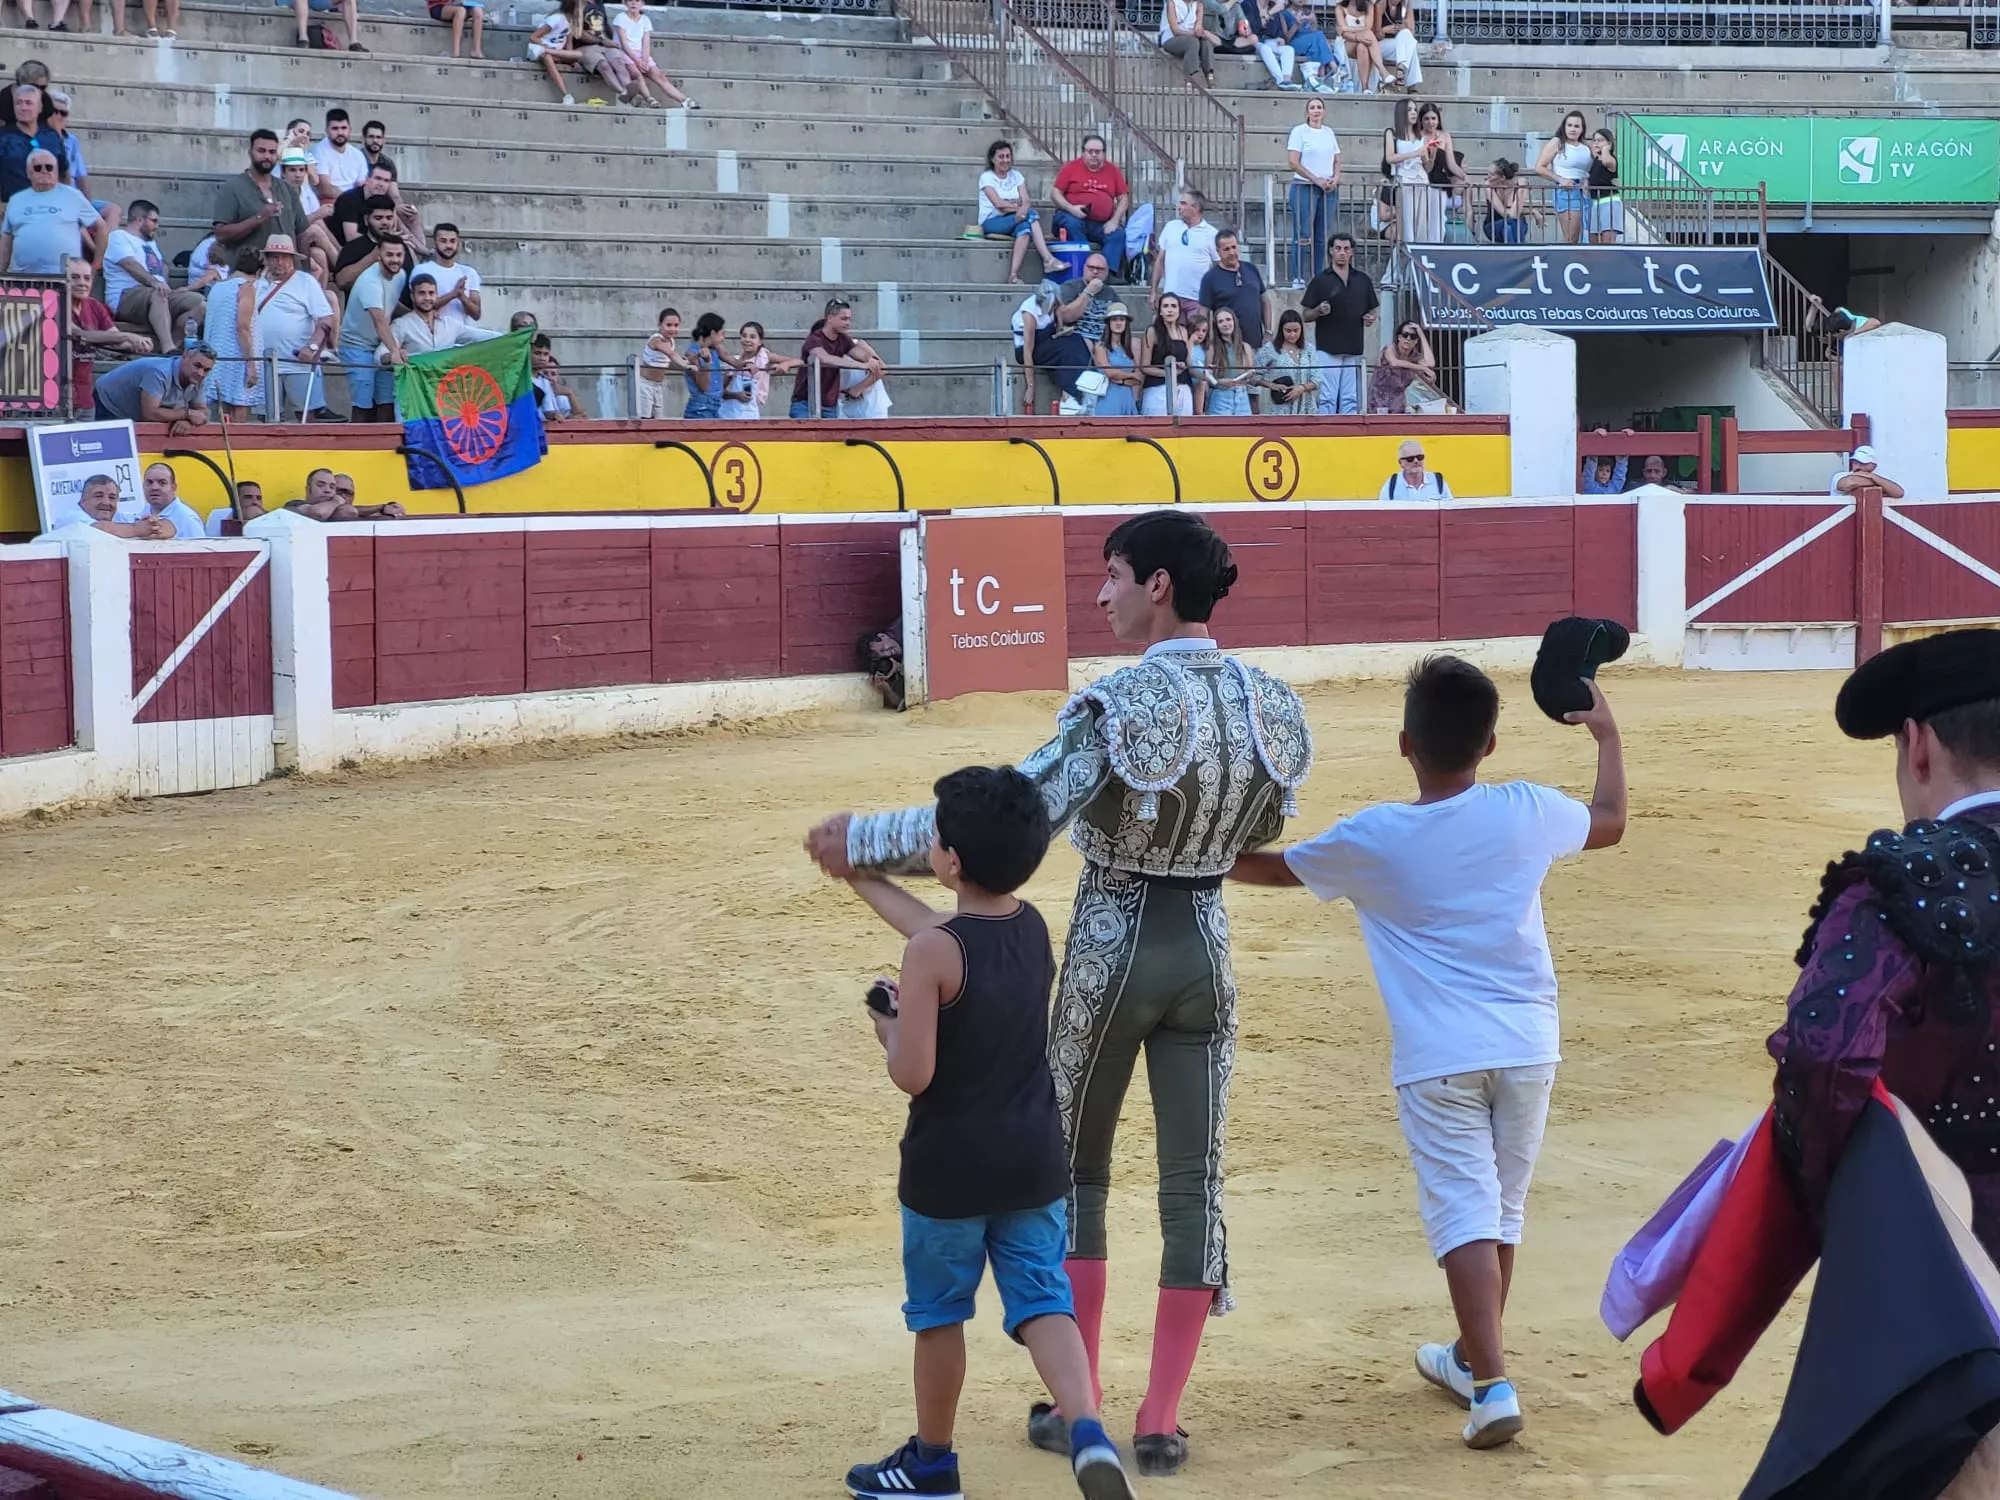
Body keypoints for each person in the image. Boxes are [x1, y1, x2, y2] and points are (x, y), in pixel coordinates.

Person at [805, 511, 1312, 1481]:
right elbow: (1253, 830)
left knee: (1069, 1172)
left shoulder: (1119, 701)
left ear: (1156, 584)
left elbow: (1017, 815)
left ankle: (1064, 1402)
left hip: (1111, 944)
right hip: (1205, 946)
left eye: (1112, 575)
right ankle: (1160, 1419)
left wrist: (864, 842)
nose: (1100, 593)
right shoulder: (1269, 707)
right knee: (1190, 1183)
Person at [1229, 654, 1626, 1449]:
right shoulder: (1523, 810)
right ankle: (1470, 1360)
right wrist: (1608, 737)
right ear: (1490, 743)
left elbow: (1268, 871)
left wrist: (1197, 838)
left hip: (1440, 1055)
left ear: (1406, 744)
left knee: (1465, 1214)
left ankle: (1492, 1382)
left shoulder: (1375, 838)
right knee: (1500, 1211)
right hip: (1527, 1045)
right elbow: (1609, 821)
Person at [827, 766, 1141, 1500]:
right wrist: (857, 877)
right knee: (1042, 1299)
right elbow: (947, 938)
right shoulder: (1030, 926)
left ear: (951, 861)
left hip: (949, 1170)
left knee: (939, 1316)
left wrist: (887, 1022)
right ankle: (1087, 1428)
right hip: (1031, 1161)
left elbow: (914, 1072)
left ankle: (932, 1462)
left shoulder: (932, 954)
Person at [252, 235, 338, 421]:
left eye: (284, 256)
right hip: (264, 363)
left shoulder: (305, 282)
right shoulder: (256, 284)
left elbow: (326, 319)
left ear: (292, 259)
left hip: (298, 363)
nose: (279, 261)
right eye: (274, 256)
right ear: (266, 259)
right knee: (266, 418)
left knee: (307, 416)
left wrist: (312, 347)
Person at [102, 199, 202, 355]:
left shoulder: (150, 243)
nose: (157, 226)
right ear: (140, 219)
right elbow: (129, 264)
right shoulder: (118, 237)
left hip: (155, 294)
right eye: (154, 221)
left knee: (199, 303)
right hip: (125, 296)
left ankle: (173, 347)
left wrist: (165, 281)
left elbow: (162, 266)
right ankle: (168, 347)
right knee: (158, 294)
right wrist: (155, 282)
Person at [1301, 230, 1377, 415]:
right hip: (1328, 347)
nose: (1342, 252)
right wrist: (1318, 310)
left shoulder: (1363, 280)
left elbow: (1372, 308)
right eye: (1338, 248)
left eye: (1346, 248)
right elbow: (1305, 314)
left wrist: (1371, 317)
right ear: (1330, 251)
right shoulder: (1320, 280)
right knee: (1327, 397)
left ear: (1352, 252)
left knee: (1350, 398)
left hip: (1354, 347)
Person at [337, 234, 408, 422]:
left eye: (399, 255)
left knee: (386, 400)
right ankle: (359, 447)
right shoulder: (370, 282)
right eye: (390, 254)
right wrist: (395, 351)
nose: (395, 259)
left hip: (379, 345)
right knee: (363, 403)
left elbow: (392, 304)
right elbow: (379, 319)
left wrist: (414, 314)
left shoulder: (401, 275)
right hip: (356, 346)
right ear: (379, 256)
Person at [66, 255, 147, 414]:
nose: (82, 283)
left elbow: (115, 340)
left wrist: (136, 345)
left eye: (87, 278)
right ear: (63, 280)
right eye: (75, 278)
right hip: (57, 399)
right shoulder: (54, 303)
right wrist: (128, 336)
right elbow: (80, 335)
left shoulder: (94, 305)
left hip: (85, 400)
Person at [1, 147, 98, 274]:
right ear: (28, 173)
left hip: (65, 277)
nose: (44, 171)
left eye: (49, 167)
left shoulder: (73, 196)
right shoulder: (16, 200)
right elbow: (6, 242)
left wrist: (97, 263)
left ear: (56, 172)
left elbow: (100, 227)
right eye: (37, 168)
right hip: (24, 277)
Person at [978, 140, 1062, 285]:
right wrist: (1021, 209)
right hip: (993, 221)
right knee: (1031, 215)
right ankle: (1048, 260)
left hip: (1015, 218)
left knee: (1024, 230)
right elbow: (998, 205)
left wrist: (1021, 208)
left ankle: (1013, 275)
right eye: (1001, 157)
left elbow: (1026, 200)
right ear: (992, 159)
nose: (1005, 160)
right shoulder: (987, 177)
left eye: (1008, 156)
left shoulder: (1016, 175)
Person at [213, 129, 305, 258]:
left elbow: (302, 234)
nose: (267, 156)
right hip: (248, 272)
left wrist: (305, 273)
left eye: (272, 152)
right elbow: (221, 234)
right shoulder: (231, 188)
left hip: (288, 273)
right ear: (250, 152)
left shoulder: (287, 190)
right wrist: (259, 218)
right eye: (261, 151)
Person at [789, 297, 884, 420]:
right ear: (829, 318)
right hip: (804, 402)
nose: (848, 323)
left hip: (830, 404)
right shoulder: (814, 339)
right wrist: (861, 365)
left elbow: (860, 354)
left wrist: (869, 359)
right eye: (843, 319)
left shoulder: (843, 339)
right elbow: (825, 358)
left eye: (849, 319)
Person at [1050, 137, 1129, 279]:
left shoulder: (1113, 171)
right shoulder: (1070, 167)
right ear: (1083, 152)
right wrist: (1071, 208)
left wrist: (1115, 220)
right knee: (1073, 224)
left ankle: (1106, 274)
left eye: (1097, 152)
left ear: (1104, 153)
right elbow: (1055, 193)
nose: (1094, 155)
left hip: (1100, 224)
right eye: (1090, 151)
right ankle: (1085, 271)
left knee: (1118, 235)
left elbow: (1124, 198)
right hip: (1070, 216)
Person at [1285, 97, 1341, 288]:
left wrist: (1336, 178)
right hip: (1304, 186)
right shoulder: (1299, 132)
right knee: (1302, 233)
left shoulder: (1329, 132)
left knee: (1321, 235)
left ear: (1324, 112)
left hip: (1328, 189)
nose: (1316, 111)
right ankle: (1298, 276)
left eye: (1319, 107)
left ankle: (1318, 276)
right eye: (1312, 107)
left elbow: (1337, 159)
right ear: (1307, 112)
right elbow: (1293, 162)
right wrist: (1315, 179)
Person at [202, 244, 263, 419]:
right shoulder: (246, 288)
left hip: (218, 357)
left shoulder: (217, 287)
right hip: (237, 359)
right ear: (258, 273)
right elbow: (242, 327)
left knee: (223, 410)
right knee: (239, 406)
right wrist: (251, 364)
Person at [92, 345, 213, 431]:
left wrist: (188, 421)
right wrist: (187, 414)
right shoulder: (159, 373)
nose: (201, 373)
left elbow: (202, 411)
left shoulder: (198, 378)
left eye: (206, 370)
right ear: (185, 357)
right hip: (110, 402)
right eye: (197, 366)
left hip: (135, 409)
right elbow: (150, 415)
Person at [390, 272, 499, 357]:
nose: (427, 298)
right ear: (412, 297)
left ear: (437, 295)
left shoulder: (450, 324)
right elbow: (381, 355)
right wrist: (395, 355)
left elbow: (483, 336)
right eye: (421, 293)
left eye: (431, 293)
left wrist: (513, 336)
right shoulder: (402, 325)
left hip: (444, 384)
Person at [1197, 228, 1271, 350]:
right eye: (1226, 249)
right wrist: (1206, 339)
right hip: (1226, 346)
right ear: (1218, 251)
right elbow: (1204, 312)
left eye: (1234, 247)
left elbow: (1265, 301)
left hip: (1256, 343)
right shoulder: (1210, 278)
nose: (1232, 252)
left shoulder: (1251, 269)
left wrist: (1268, 331)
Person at [42, 473, 171, 541]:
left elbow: (169, 525)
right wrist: (137, 529)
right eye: (98, 496)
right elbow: (97, 530)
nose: (106, 502)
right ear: (83, 501)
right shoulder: (70, 518)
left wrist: (156, 526)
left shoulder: (118, 518)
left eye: (112, 497)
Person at [615, 0, 695, 106]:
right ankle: (649, 98)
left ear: (642, 4)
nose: (633, 3)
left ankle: (684, 100)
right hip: (626, 53)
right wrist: (637, 61)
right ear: (625, 3)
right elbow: (624, 44)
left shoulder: (645, 20)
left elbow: (646, 43)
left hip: (641, 53)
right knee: (637, 74)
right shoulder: (620, 18)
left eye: (637, 1)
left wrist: (644, 59)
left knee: (659, 76)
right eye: (630, 1)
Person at [1149, 188, 1219, 310]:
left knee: (1197, 329)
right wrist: (1153, 291)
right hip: (1171, 299)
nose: (1179, 207)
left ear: (1196, 207)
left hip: (1198, 299)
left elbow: (1218, 265)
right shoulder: (1170, 227)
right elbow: (1160, 261)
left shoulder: (1212, 234)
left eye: (1183, 203)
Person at [1385, 97, 1441, 246]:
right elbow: (1390, 158)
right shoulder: (1392, 133)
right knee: (1406, 229)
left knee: (1420, 226)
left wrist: (1432, 153)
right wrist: (1416, 153)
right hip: (1404, 181)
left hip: (1421, 181)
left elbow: (1427, 167)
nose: (1413, 113)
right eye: (1409, 110)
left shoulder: (1420, 137)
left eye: (1415, 110)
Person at [409, 224, 482, 335]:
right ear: (435, 243)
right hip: (432, 336)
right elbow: (419, 307)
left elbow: (476, 314)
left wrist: (462, 296)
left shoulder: (469, 273)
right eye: (443, 241)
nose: (448, 245)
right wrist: (453, 294)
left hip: (462, 337)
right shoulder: (422, 270)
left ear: (458, 244)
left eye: (452, 241)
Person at [0, 84, 63, 205]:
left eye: (28, 103)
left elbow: (63, 171)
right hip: (13, 206)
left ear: (40, 107)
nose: (23, 107)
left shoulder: (51, 137)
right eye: (19, 103)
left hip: (49, 205)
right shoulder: (3, 137)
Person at [718, 321, 794, 421]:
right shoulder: (733, 362)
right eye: (744, 336)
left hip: (750, 415)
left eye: (752, 337)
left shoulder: (765, 358)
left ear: (760, 341)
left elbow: (798, 361)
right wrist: (736, 395)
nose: (747, 340)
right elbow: (720, 392)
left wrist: (785, 365)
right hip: (727, 415)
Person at [1535, 110, 1591, 245]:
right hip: (1567, 191)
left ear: (1582, 129)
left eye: (1577, 126)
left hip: (1586, 191)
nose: (1573, 129)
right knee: (1571, 236)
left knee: (1586, 235)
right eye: (1569, 125)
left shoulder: (1586, 146)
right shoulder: (1557, 143)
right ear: (1564, 127)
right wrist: (1560, 180)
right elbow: (1539, 167)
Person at [1255, 308, 1318, 417]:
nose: (1292, 335)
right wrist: (1271, 385)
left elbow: (1318, 378)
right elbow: (1253, 375)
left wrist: (1302, 388)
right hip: (1281, 408)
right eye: (1288, 331)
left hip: (1306, 408)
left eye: (1296, 330)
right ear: (1281, 330)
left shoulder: (1309, 349)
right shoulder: (1270, 349)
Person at [575, 0, 641, 103]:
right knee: (603, 65)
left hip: (603, 43)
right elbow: (578, 33)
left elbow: (604, 26)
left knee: (618, 62)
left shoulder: (599, 4)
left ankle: (629, 90)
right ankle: (624, 93)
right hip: (584, 47)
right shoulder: (577, 3)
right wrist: (602, 41)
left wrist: (611, 41)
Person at [1139, 292, 1191, 417]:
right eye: (1166, 306)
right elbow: (1144, 366)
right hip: (1158, 389)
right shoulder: (1152, 332)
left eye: (1173, 306)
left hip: (1183, 388)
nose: (1170, 310)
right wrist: (1169, 373)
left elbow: (1189, 363)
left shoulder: (1183, 331)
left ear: (1179, 310)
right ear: (1160, 311)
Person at [1370, 319, 1435, 415]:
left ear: (1416, 341)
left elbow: (1430, 363)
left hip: (1398, 402)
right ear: (1399, 337)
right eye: (1405, 335)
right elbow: (1394, 362)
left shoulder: (1414, 357)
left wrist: (1421, 334)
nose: (1408, 339)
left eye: (1412, 337)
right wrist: (1422, 368)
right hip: (1378, 399)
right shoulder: (1390, 349)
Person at [528, 0, 587, 105]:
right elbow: (533, 37)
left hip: (557, 52)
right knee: (547, 57)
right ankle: (566, 95)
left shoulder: (572, 22)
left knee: (579, 54)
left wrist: (573, 61)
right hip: (541, 49)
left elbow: (569, 46)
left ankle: (549, 52)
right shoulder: (557, 19)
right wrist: (546, 47)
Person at [1275, 0, 1341, 93]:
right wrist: (1297, 24)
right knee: (1319, 35)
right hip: (1295, 44)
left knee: (1317, 45)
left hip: (1310, 44)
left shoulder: (1309, 13)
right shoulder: (1283, 14)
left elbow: (1313, 32)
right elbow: (1287, 39)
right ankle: (1334, 69)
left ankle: (1319, 81)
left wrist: (1313, 22)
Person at [1203, 305, 1255, 417]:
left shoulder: (1245, 347)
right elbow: (1207, 376)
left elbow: (1250, 375)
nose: (1226, 324)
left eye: (1228, 319)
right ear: (1216, 326)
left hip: (1242, 395)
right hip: (1220, 396)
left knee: (1245, 433)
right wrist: (1220, 382)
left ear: (1234, 321)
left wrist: (1249, 375)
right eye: (1221, 321)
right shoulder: (1212, 348)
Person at [1091, 303, 1141, 419]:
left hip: (1127, 397)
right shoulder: (1101, 346)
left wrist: (1120, 380)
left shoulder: (1130, 346)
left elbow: (1138, 378)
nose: (1118, 323)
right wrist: (1130, 375)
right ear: (1108, 323)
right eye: (1114, 320)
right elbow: (1109, 372)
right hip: (1108, 396)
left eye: (1122, 319)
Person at [1158, 0, 1221, 89]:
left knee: (1206, 41)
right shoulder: (1172, 3)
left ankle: (1209, 76)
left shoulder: (1199, 5)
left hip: (1191, 36)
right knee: (1192, 42)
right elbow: (1175, 31)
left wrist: (1200, 32)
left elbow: (1198, 26)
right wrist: (1194, 34)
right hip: (1171, 39)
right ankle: (1191, 76)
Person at [635, 305, 683, 419]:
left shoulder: (671, 341)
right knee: (645, 419)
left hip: (658, 385)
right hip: (646, 385)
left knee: (658, 419)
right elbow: (671, 355)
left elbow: (666, 362)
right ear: (659, 325)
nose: (672, 329)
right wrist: (685, 364)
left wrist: (686, 362)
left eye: (676, 325)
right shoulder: (657, 340)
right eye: (668, 325)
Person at [139, 462, 207, 539]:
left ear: (173, 487)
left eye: (162, 483)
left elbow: (199, 550)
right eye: (149, 482)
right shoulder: (139, 514)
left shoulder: (187, 519)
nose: (154, 487)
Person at [682, 310, 729, 419]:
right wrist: (707, 363)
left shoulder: (715, 349)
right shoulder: (692, 353)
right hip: (700, 407)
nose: (723, 338)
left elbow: (733, 361)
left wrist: (749, 364)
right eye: (722, 334)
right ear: (712, 333)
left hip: (714, 406)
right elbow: (704, 386)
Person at [311, 111, 369, 197]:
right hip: (327, 201)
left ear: (350, 129)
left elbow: (362, 185)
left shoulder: (358, 155)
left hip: (353, 201)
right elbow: (325, 189)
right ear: (326, 131)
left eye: (343, 128)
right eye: (335, 128)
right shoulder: (318, 151)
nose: (340, 133)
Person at [531, 335, 586, 420]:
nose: (542, 358)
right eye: (537, 353)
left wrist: (556, 416)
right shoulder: (520, 378)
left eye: (545, 354)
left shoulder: (545, 382)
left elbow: (548, 412)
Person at [1379, 436, 1453, 499]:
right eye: (1410, 459)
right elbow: (1382, 513)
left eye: (1420, 457)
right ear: (1400, 463)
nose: (1416, 461)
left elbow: (1450, 511)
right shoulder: (1392, 484)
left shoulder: (1438, 481)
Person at [1335, 0, 1385, 93]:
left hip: (1364, 40)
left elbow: (1368, 27)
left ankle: (1365, 87)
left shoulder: (1369, 5)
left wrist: (1347, 28)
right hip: (1347, 41)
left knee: (1362, 46)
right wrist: (1357, 36)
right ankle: (1383, 71)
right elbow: (1344, 33)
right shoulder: (1340, 7)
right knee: (1368, 35)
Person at [1374, 0, 1423, 90]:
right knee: (1411, 46)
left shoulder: (1406, 4)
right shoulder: (1380, 5)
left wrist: (1404, 27)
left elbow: (1411, 33)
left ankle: (1401, 67)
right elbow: (1376, 35)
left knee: (1407, 35)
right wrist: (1385, 30)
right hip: (1380, 45)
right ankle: (1412, 86)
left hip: (1399, 47)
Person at [1829, 442, 1906, 498]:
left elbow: (1899, 493)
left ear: (1873, 466)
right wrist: (1877, 481)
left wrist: (1872, 476)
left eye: (1862, 463)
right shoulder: (1840, 476)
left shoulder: (1877, 478)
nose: (1857, 467)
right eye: (1855, 463)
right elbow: (1848, 483)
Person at [1585, 128, 1622, 244]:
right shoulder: (1595, 160)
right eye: (1595, 140)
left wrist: (1606, 149)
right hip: (1596, 202)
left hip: (1610, 202)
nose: (1596, 143)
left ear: (1609, 143)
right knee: (1594, 238)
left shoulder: (1611, 159)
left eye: (1600, 140)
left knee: (1608, 239)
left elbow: (1606, 162)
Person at [1483, 159, 1527, 244]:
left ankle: (1516, 251)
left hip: (1517, 224)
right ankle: (1520, 252)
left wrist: (1521, 190)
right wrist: (1532, 211)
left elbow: (1515, 214)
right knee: (1508, 226)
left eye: (1491, 175)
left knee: (1513, 225)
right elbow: (1507, 215)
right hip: (1493, 225)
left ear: (1502, 177)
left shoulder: (1519, 186)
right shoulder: (1489, 187)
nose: (1487, 177)